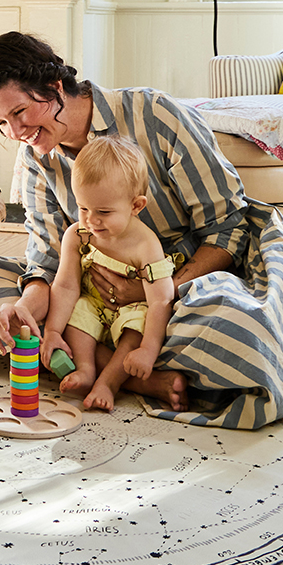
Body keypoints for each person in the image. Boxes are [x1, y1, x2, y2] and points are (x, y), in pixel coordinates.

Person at [0, 31, 283, 430]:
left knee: (239, 326)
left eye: (19, 113)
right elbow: (47, 262)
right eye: (2, 124)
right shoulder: (36, 159)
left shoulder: (155, 115)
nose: (15, 133)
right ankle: (143, 377)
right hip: (85, 293)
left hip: (181, 282)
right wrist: (23, 313)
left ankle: (111, 364)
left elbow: (226, 228)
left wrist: (154, 290)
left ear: (53, 87)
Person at [40, 134, 175, 411]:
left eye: (103, 211)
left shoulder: (145, 244)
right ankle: (86, 369)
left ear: (136, 206)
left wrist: (148, 351)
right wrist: (52, 331)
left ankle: (108, 384)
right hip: (94, 303)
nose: (91, 220)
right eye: (83, 207)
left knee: (138, 322)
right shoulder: (78, 235)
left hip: (131, 309)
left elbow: (160, 300)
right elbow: (65, 286)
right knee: (77, 311)